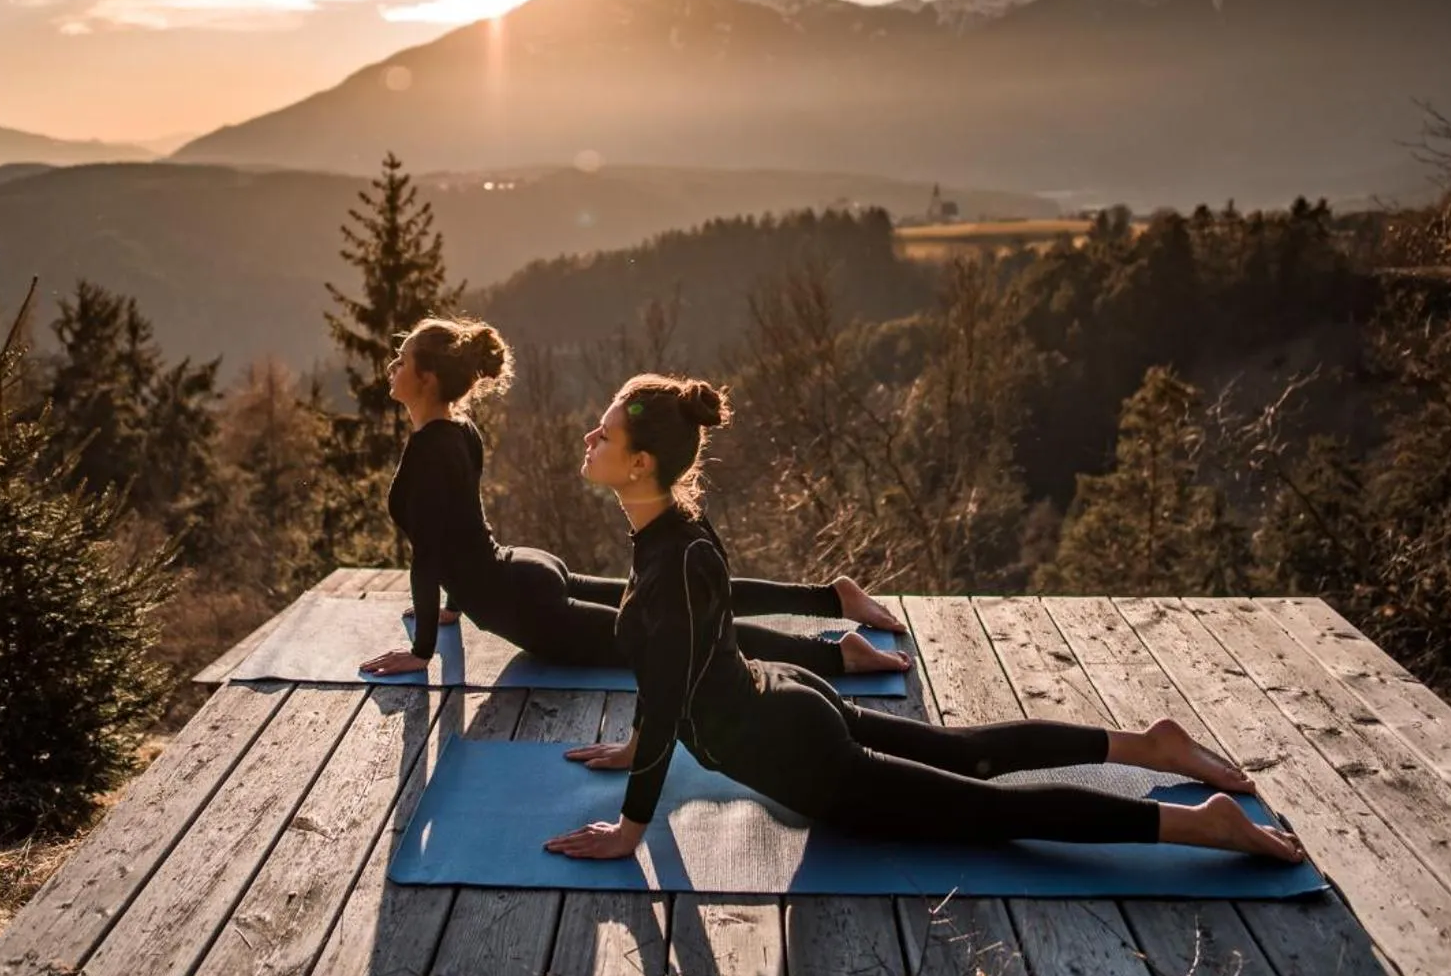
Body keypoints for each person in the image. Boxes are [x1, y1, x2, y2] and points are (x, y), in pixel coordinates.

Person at [544, 373, 1308, 866]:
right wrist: (638, 744)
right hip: (784, 703)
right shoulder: (672, 532)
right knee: (967, 753)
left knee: (988, 810)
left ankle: (1202, 825)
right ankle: (1147, 746)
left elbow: (670, 680)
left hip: (798, 752)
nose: (589, 437)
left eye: (604, 433)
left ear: (641, 463)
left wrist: (631, 827)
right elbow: (694, 632)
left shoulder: (670, 552)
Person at [359, 318, 909, 680]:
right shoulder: (459, 430)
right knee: (677, 606)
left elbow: (431, 551)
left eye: (401, 361)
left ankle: (836, 654)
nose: (392, 369)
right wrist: (454, 605)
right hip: (520, 572)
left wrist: (423, 650)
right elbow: (460, 524)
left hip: (524, 607)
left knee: (678, 635)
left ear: (426, 379)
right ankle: (830, 599)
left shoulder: (430, 448)